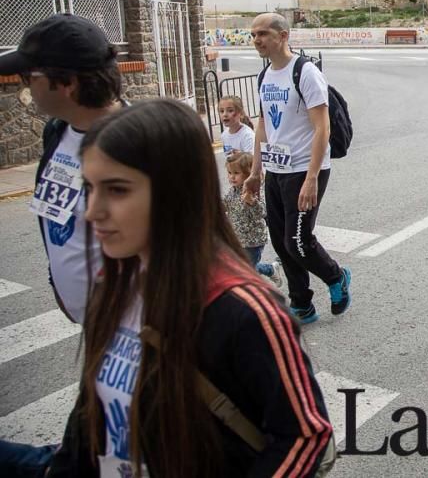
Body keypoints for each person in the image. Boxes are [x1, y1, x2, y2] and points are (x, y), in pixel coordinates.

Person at [47, 99, 332, 476]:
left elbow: (305, 436)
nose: (92, 210)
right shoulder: (113, 288)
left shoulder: (243, 312)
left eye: (116, 190)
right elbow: (90, 422)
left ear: (173, 192)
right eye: (90, 188)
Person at [0, 14, 125, 478]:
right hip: (93, 323)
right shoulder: (57, 131)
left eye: (30, 78)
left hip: (134, 333)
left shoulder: (132, 143)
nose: (23, 88)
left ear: (67, 82)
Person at [243, 13, 350, 324]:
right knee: (280, 241)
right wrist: (255, 170)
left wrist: (312, 177)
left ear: (283, 35)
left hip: (305, 168)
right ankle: (302, 303)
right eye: (253, 35)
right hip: (277, 168)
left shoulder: (305, 73)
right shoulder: (265, 77)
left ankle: (336, 277)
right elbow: (264, 125)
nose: (257, 40)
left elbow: (322, 128)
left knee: (298, 241)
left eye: (263, 33)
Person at [223, 152, 282, 286]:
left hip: (253, 240)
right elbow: (225, 204)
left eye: (236, 173)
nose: (232, 177)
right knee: (242, 268)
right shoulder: (233, 190)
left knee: (246, 270)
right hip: (237, 237)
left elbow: (263, 212)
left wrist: (252, 203)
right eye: (230, 173)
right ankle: (271, 269)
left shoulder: (254, 190)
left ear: (248, 173)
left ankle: (254, 294)